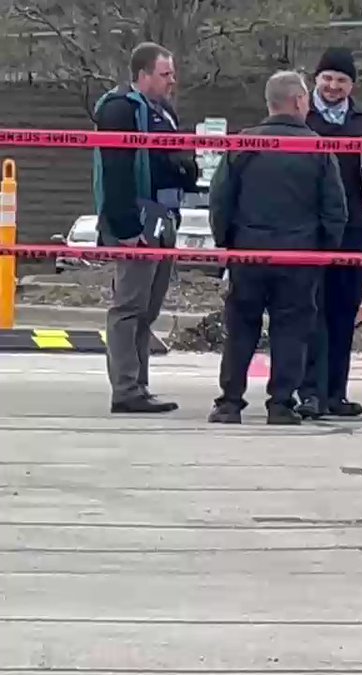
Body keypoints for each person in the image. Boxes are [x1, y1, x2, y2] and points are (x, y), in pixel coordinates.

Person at [206, 71, 348, 425]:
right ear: (299, 101)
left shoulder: (242, 144)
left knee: (240, 328)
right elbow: (335, 210)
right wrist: (324, 252)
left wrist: (227, 243)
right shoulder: (317, 149)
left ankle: (230, 402)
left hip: (248, 251)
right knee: (292, 329)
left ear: (269, 104)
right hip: (298, 255)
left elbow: (220, 200)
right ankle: (281, 403)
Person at [93, 41, 199, 414]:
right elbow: (116, 169)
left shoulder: (163, 110)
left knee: (148, 308)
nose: (172, 81)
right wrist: (124, 227)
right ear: (143, 74)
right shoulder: (119, 109)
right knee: (129, 306)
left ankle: (139, 384)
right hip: (139, 217)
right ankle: (125, 388)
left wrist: (189, 169)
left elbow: (175, 156)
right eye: (165, 74)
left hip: (165, 215)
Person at [296, 47, 362, 420]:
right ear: (315, 80)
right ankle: (310, 392)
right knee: (312, 312)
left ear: (351, 85)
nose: (333, 86)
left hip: (354, 227)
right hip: (311, 229)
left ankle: (336, 393)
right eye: (328, 79)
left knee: (342, 313)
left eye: (341, 80)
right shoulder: (300, 117)